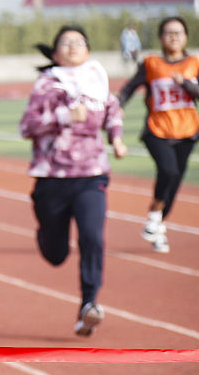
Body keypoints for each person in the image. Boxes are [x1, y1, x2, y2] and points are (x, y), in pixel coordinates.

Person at [18, 25, 128, 336]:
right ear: (55, 53)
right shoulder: (46, 85)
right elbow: (26, 127)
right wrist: (64, 117)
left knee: (93, 237)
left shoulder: (97, 80)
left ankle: (88, 306)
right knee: (56, 254)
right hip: (52, 176)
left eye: (78, 42)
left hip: (91, 174)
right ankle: (47, 235)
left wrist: (117, 139)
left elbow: (112, 111)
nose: (72, 47)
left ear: (88, 50)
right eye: (65, 43)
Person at [118, 16, 199, 253]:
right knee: (168, 171)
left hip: (187, 131)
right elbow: (131, 86)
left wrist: (185, 83)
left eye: (178, 32)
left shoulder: (194, 63)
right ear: (161, 37)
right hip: (157, 130)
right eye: (169, 32)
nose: (174, 37)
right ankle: (155, 215)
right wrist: (120, 103)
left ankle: (158, 226)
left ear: (185, 37)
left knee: (174, 183)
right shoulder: (151, 63)